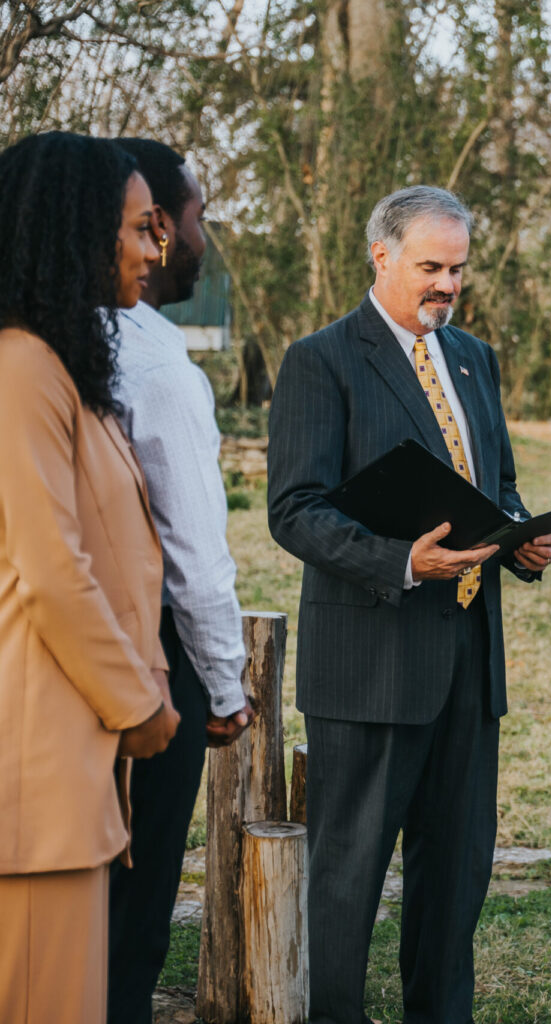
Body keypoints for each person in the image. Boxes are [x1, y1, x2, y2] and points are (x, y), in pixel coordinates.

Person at [267, 185, 551, 1024]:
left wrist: (519, 537)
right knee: (350, 875)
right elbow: (294, 511)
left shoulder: (473, 357)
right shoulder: (321, 360)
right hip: (369, 662)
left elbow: (493, 481)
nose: (447, 285)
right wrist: (401, 560)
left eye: (458, 269)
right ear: (381, 257)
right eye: (431, 267)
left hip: (468, 661)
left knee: (458, 871)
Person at [0, 130, 182, 1024]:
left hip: (74, 774)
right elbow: (50, 571)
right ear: (77, 230)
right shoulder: (21, 368)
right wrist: (140, 706)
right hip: (34, 786)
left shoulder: (62, 366)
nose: (157, 249)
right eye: (141, 228)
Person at [105, 136, 255, 1024]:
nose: (202, 241)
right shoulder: (159, 362)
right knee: (137, 900)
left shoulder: (53, 333)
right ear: (158, 228)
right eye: (198, 219)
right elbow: (194, 553)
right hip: (152, 659)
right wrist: (227, 688)